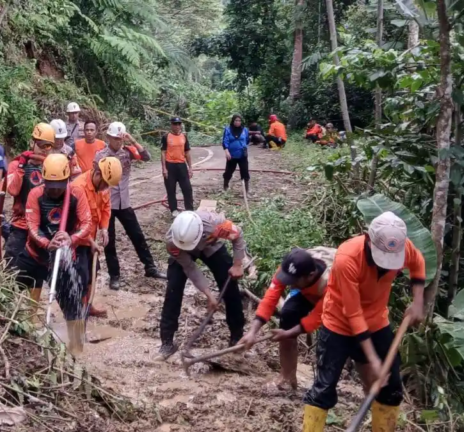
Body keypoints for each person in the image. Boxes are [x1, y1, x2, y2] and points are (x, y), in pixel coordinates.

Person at [302, 212, 426, 432]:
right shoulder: (347, 258)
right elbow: (353, 313)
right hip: (338, 324)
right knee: (324, 388)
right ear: (368, 240)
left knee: (391, 387)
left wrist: (418, 301)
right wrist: (373, 360)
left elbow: (418, 262)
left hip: (377, 321)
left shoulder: (400, 247)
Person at [15, 153, 93, 352]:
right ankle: (21, 338)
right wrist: (45, 242)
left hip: (63, 258)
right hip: (35, 255)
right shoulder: (36, 194)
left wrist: (71, 238)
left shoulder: (76, 193)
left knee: (72, 305)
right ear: (43, 179)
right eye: (51, 184)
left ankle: (76, 348)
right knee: (16, 295)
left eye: (59, 184)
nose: (55, 189)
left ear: (67, 179)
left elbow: (86, 223)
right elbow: (32, 225)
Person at [239, 247, 336, 390]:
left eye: (294, 281)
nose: (289, 284)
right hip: (309, 292)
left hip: (342, 301)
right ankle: (287, 376)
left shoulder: (333, 282)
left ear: (310, 275)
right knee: (288, 314)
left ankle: (325, 386)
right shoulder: (290, 267)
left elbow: (318, 317)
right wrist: (252, 332)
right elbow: (270, 298)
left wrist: (289, 333)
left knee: (333, 339)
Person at [156, 210, 246, 360]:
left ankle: (237, 336)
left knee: (229, 284)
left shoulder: (216, 225)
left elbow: (238, 235)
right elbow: (190, 268)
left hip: (210, 244)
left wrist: (237, 265)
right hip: (182, 250)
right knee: (173, 288)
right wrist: (209, 295)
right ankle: (167, 341)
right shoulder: (172, 242)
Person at [94, 121, 166, 290]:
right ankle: (114, 275)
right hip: (107, 204)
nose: (118, 142)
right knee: (109, 241)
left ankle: (150, 267)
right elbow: (95, 178)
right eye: (115, 138)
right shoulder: (100, 155)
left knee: (137, 236)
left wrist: (133, 141)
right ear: (108, 138)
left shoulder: (128, 152)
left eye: (120, 139)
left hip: (125, 202)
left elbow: (147, 157)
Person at [71, 157, 123, 318]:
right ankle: (77, 311)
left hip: (91, 238)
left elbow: (106, 207)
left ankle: (88, 305)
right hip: (77, 241)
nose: (107, 188)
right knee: (81, 275)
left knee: (93, 273)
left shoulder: (103, 187)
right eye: (106, 184)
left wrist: (104, 229)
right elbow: (76, 223)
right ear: (98, 174)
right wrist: (91, 242)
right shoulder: (78, 188)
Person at [5, 123, 55, 267]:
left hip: (43, 227)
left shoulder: (51, 167)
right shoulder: (16, 164)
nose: (44, 149)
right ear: (32, 142)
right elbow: (12, 190)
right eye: (41, 144)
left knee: (37, 274)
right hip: (22, 225)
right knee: (12, 268)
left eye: (48, 146)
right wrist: (22, 166)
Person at [161, 117, 193, 217]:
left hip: (182, 165)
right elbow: (163, 152)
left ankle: (190, 209)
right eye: (175, 124)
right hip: (170, 165)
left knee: (187, 188)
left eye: (179, 124)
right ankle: (173, 210)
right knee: (171, 189)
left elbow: (187, 152)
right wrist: (164, 168)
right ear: (171, 125)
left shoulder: (184, 136)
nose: (177, 126)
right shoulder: (166, 136)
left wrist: (190, 167)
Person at [222, 114, 250, 193]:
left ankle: (246, 190)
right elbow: (225, 141)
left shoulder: (245, 130)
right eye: (236, 120)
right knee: (229, 171)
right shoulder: (228, 130)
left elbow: (247, 140)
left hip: (242, 154)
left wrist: (243, 146)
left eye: (239, 121)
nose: (238, 122)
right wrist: (227, 151)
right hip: (232, 155)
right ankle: (225, 186)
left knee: (245, 171)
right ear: (233, 121)